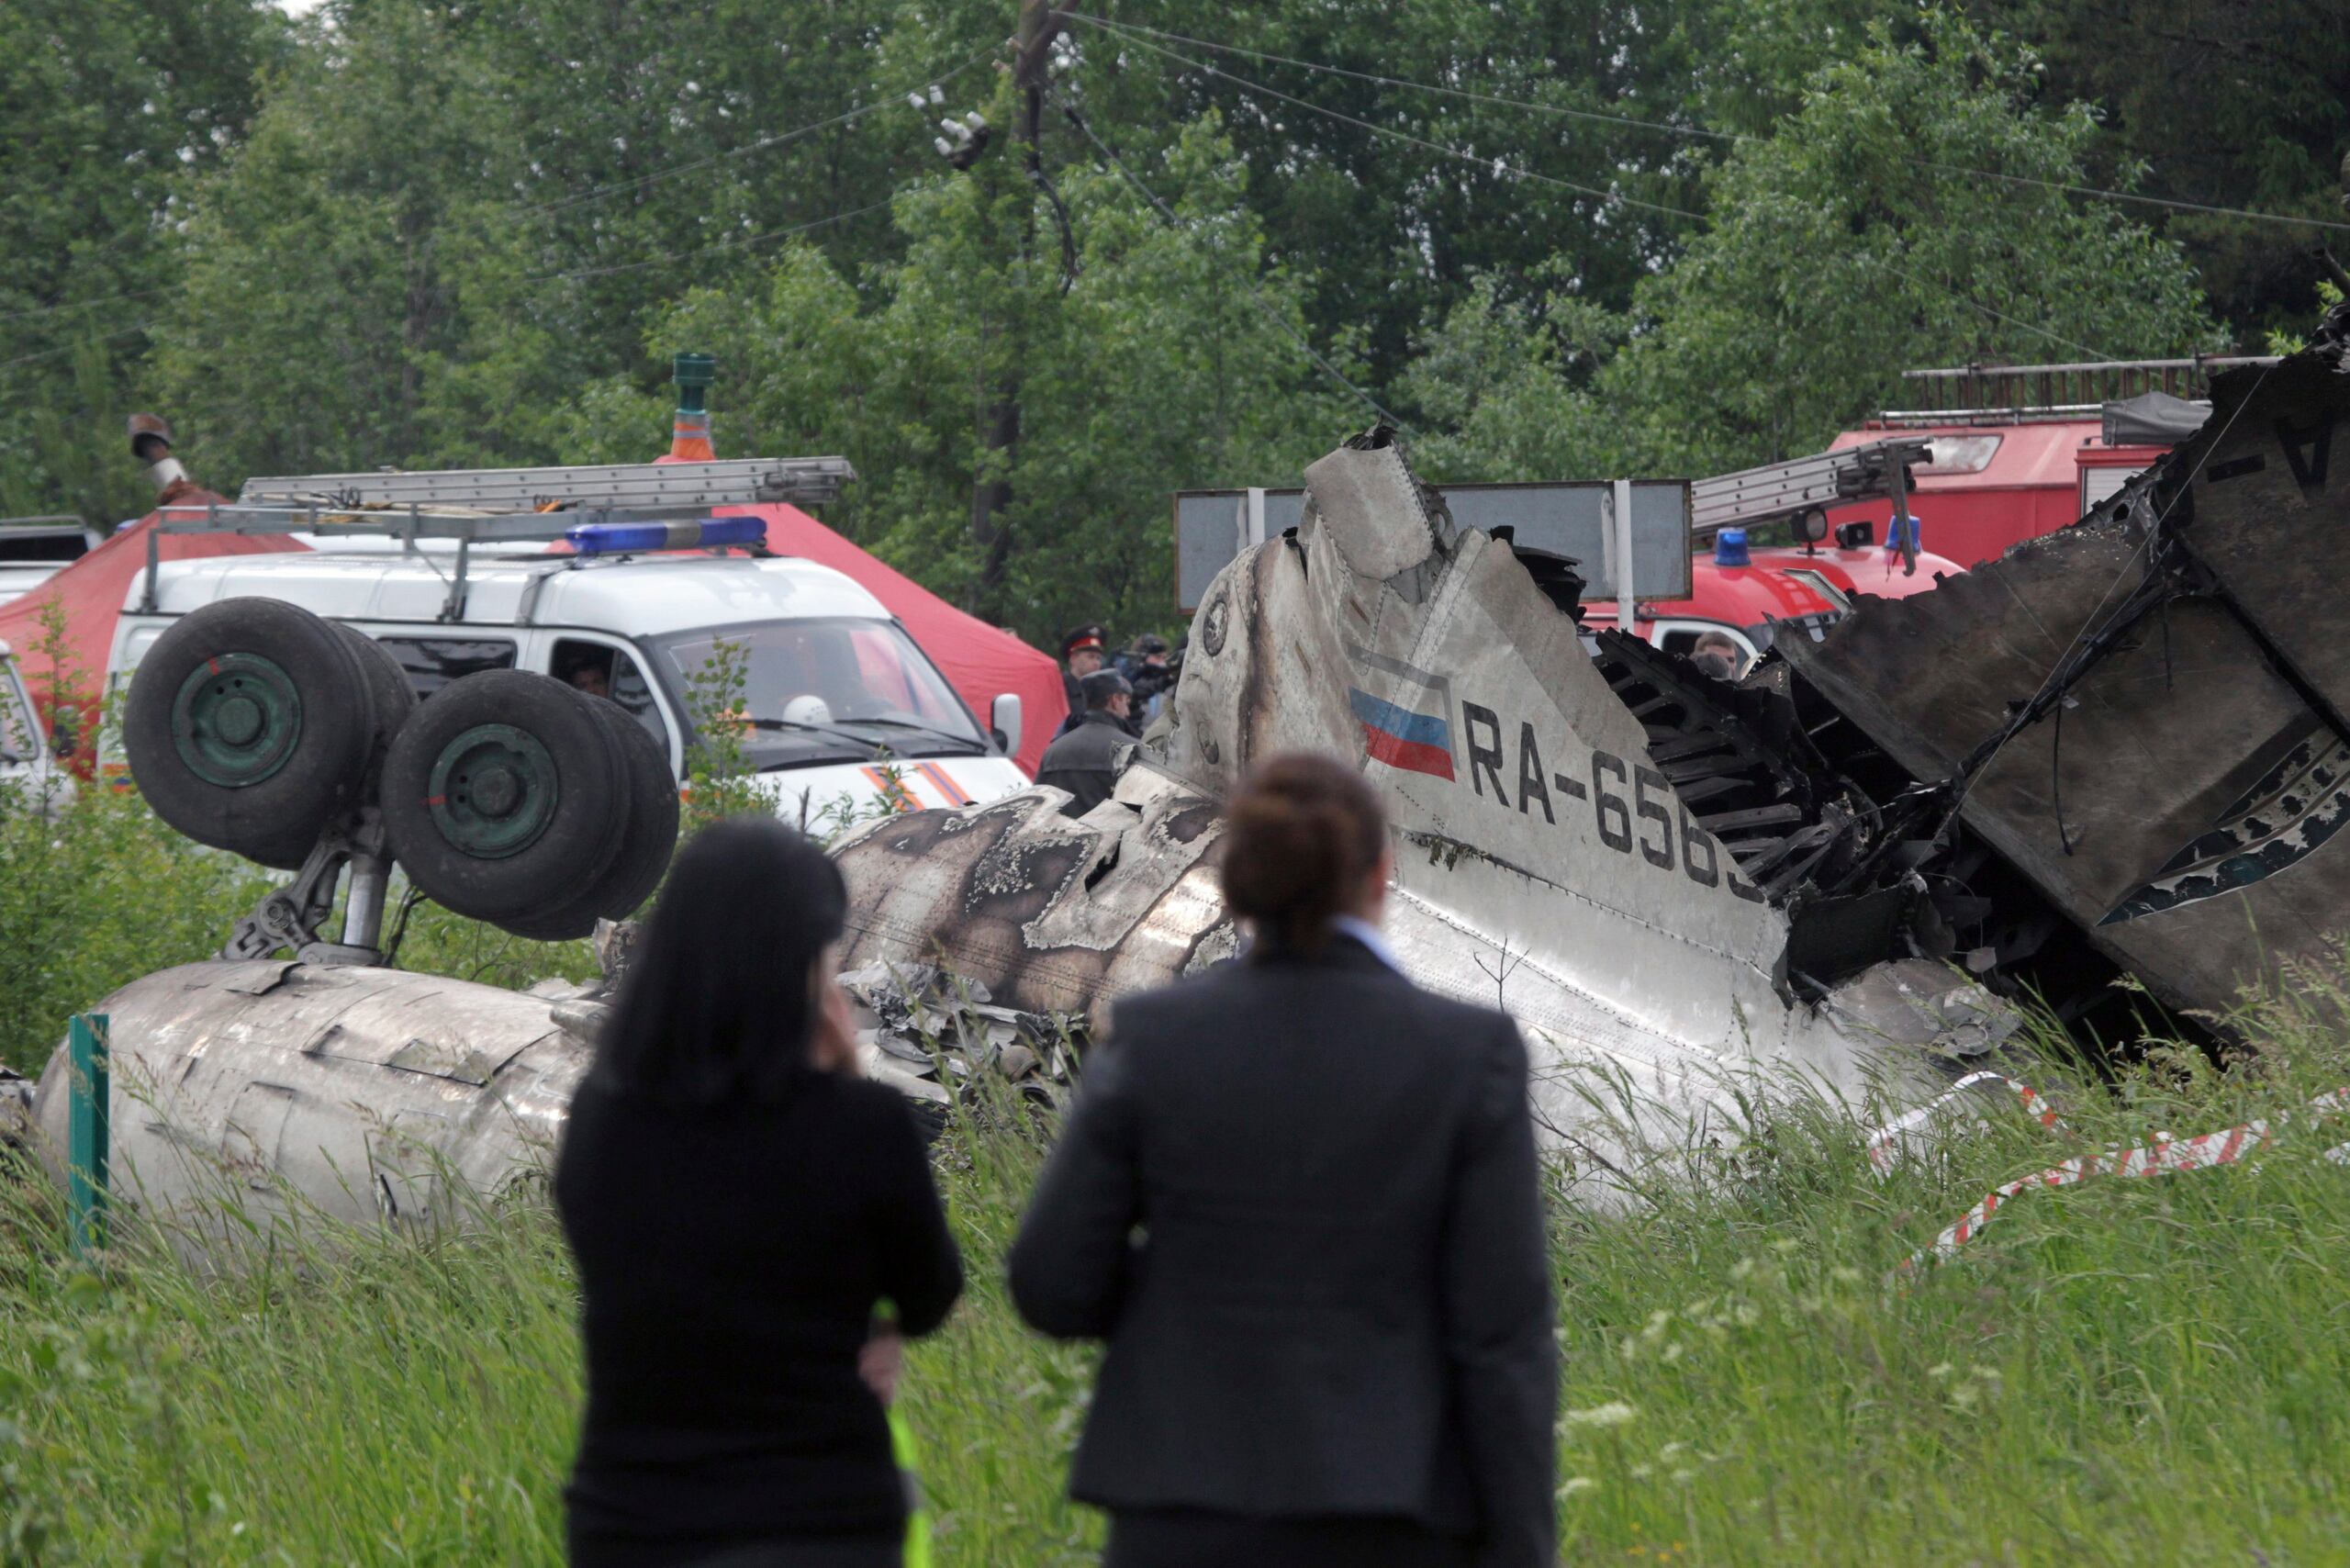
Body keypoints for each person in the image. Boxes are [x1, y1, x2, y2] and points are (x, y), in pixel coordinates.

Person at [1008, 753, 1558, 1568]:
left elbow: (1052, 1283)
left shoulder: (1154, 1040)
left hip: (1181, 1505)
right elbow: (1501, 1335)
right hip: (1389, 1507)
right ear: (1380, 874)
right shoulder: (1466, 1055)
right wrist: (1521, 1545)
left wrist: (1179, 1300)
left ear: (1233, 888)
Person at [555, 817, 964, 1568]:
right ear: (799, 962)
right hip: (819, 1514)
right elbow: (929, 1293)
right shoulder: (862, 1127)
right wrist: (844, 1085)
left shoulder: (604, 1121)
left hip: (634, 1516)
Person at [1035, 668, 1133, 818]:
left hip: (1060, 839)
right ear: (1115, 700)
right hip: (1115, 840)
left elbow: (1037, 808)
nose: (1128, 712)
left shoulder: (1053, 751)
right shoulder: (1132, 750)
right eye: (1126, 702)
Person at [1058, 623, 1109, 729]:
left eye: (1098, 658)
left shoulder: (1100, 691)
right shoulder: (1060, 688)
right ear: (1073, 659)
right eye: (1090, 657)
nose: (1096, 663)